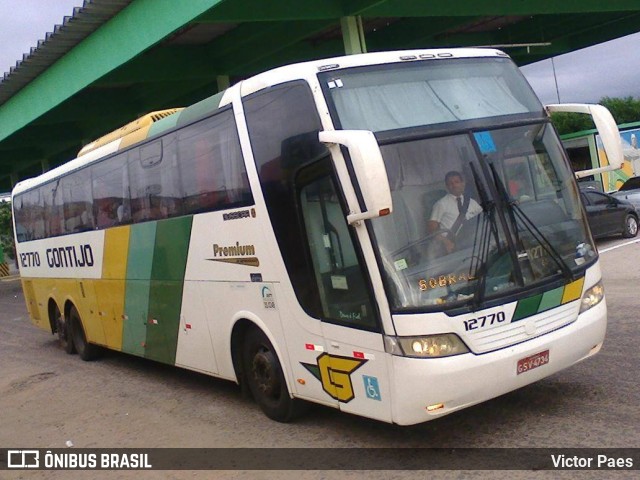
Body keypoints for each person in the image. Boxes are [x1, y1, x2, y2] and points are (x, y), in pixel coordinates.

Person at [427, 170, 482, 253]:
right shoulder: (441, 204)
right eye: (451, 183)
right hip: (454, 246)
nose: (454, 185)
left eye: (457, 182)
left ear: (462, 184)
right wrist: (446, 242)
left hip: (476, 242)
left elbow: (484, 220)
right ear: (447, 186)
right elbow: (432, 229)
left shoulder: (472, 202)